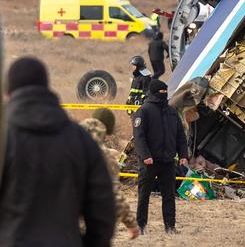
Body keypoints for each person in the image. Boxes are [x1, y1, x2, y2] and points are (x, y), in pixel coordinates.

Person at [0, 57, 115, 246]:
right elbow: (102, 210)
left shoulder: (4, 139)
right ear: (47, 88)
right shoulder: (81, 140)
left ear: (8, 92)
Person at [133, 79, 189, 234]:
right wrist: (145, 156)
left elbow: (180, 136)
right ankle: (141, 225)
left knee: (169, 196)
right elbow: (139, 137)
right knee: (144, 196)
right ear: (153, 92)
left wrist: (183, 155)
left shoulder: (172, 112)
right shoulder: (144, 111)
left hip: (168, 162)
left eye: (165, 92)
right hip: (149, 162)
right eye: (161, 92)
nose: (163, 94)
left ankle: (170, 227)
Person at [80, 108, 139, 240]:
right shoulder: (107, 156)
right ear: (106, 131)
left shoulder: (64, 146)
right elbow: (114, 194)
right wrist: (131, 223)